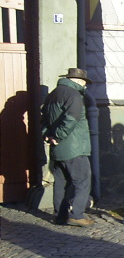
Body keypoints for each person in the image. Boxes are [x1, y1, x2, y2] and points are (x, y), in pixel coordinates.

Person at [40, 68, 94, 227]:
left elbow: (43, 119)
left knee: (60, 183)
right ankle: (77, 215)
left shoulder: (52, 95)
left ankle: (60, 216)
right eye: (84, 83)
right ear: (79, 81)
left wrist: (48, 135)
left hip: (56, 148)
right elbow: (71, 119)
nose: (85, 86)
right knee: (83, 180)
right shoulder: (74, 95)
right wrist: (58, 135)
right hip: (74, 147)